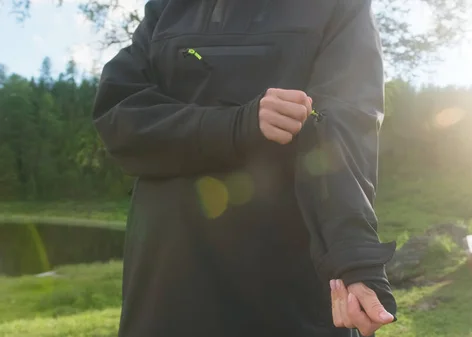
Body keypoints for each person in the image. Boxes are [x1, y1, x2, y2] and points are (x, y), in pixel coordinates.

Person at [92, 0, 397, 336]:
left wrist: (355, 257)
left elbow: (342, 129)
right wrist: (237, 125)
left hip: (287, 284)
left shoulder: (339, 6)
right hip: (168, 281)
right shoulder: (167, 8)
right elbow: (119, 118)